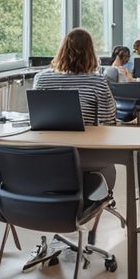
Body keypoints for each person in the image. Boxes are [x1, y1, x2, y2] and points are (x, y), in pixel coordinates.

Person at [33, 28, 118, 186]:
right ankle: (91, 207)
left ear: (62, 51)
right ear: (91, 53)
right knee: (108, 168)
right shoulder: (98, 82)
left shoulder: (41, 79)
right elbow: (107, 124)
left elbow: (36, 117)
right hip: (84, 155)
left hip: (45, 154)